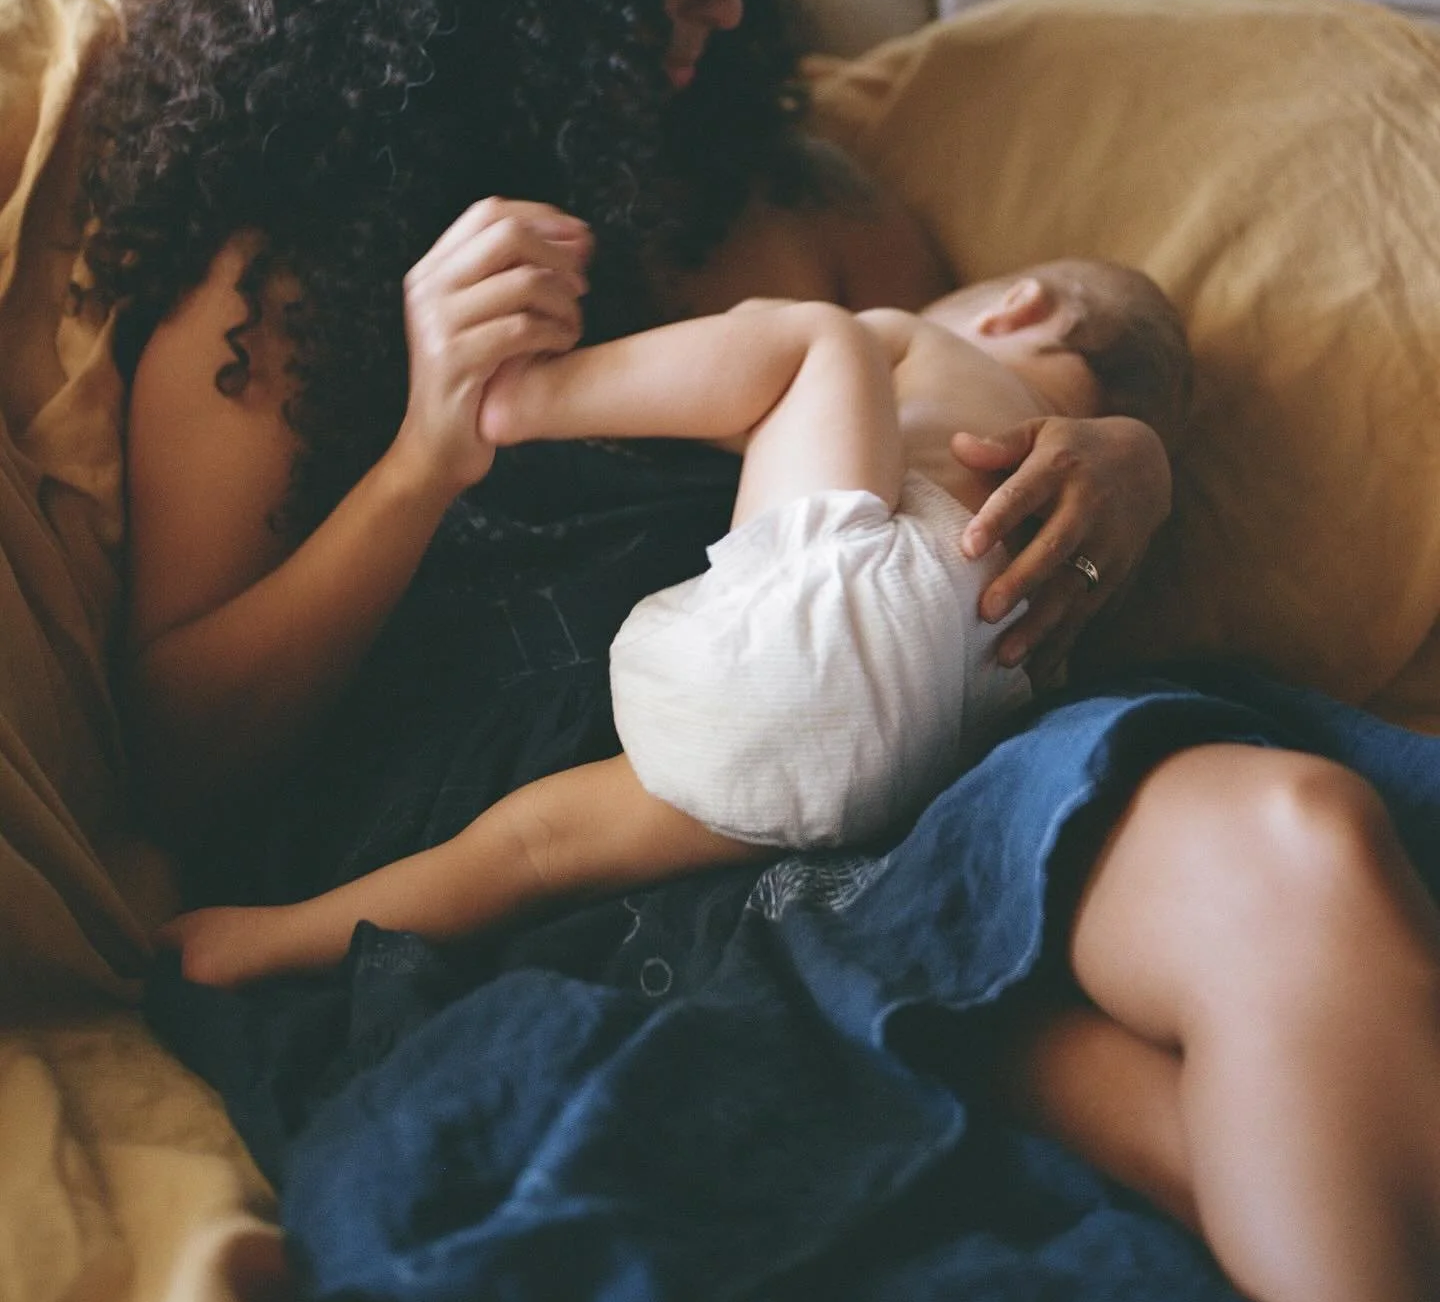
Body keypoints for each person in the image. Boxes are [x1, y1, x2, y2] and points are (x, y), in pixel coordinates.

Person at [80, 0, 1440, 1302]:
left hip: (920, 803)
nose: (728, 2)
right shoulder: (277, 288)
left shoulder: (798, 206)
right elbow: (186, 758)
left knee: (1299, 840)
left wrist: (1130, 459)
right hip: (554, 894)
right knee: (1111, 1128)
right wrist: (429, 449)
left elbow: (988, 389)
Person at [154, 259, 1193, 986]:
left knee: (818, 337)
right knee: (542, 849)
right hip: (910, 757)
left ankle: (525, 402)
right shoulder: (1087, 528)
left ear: (1018, 305)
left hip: (847, 602)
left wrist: (754, 333)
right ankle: (277, 941)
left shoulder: (931, 347)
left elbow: (798, 360)